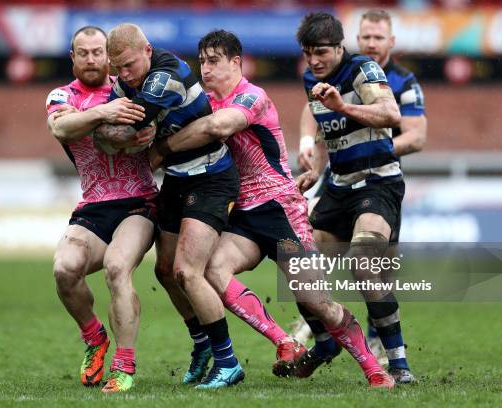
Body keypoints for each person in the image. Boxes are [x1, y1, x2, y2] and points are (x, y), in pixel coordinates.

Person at [149, 29, 395, 389]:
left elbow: (220, 127)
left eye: (214, 60)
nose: (205, 68)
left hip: (281, 212)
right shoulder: (206, 105)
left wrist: (162, 148)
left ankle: (375, 370)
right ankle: (285, 341)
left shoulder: (252, 97)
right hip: (243, 215)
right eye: (201, 61)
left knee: (318, 302)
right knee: (214, 270)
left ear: (236, 62)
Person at [93, 23, 244, 389]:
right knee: (164, 271)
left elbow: (125, 130)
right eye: (118, 69)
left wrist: (117, 131)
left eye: (129, 65)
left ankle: (228, 361)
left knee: (187, 271)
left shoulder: (166, 75)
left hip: (211, 177)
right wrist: (112, 130)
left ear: (147, 50)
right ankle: (202, 343)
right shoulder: (124, 81)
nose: (124, 75)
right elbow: (105, 136)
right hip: (177, 178)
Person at [292, 11, 424, 383]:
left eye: (321, 52)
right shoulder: (311, 78)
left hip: (377, 182)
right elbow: (325, 132)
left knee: (365, 263)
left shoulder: (363, 70)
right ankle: (324, 341)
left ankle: (397, 363)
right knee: (296, 263)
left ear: (338, 47)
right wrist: (315, 168)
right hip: (338, 186)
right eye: (307, 53)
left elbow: (389, 112)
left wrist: (344, 106)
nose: (314, 61)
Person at [46, 26, 158, 393]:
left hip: (138, 203)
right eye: (84, 53)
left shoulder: (129, 87)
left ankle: (124, 365)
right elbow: (62, 128)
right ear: (73, 57)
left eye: (98, 52)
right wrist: (105, 112)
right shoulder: (63, 95)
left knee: (116, 267)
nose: (92, 58)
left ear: (108, 56)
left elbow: (155, 126)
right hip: (93, 207)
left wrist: (149, 135)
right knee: (65, 268)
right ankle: (95, 338)